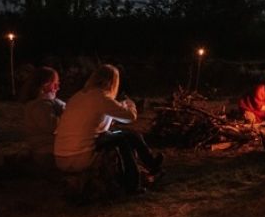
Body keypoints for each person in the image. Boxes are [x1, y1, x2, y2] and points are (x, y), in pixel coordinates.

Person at [54, 65, 163, 194]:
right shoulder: (101, 97)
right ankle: (132, 183)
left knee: (127, 135)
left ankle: (150, 166)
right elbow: (130, 117)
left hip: (61, 156)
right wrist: (129, 103)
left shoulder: (78, 96)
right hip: (80, 156)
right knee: (123, 139)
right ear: (113, 82)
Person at [20, 66, 66, 170]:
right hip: (46, 152)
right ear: (44, 85)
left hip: (51, 149)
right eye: (55, 84)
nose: (58, 88)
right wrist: (65, 114)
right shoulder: (39, 107)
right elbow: (54, 126)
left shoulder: (49, 103)